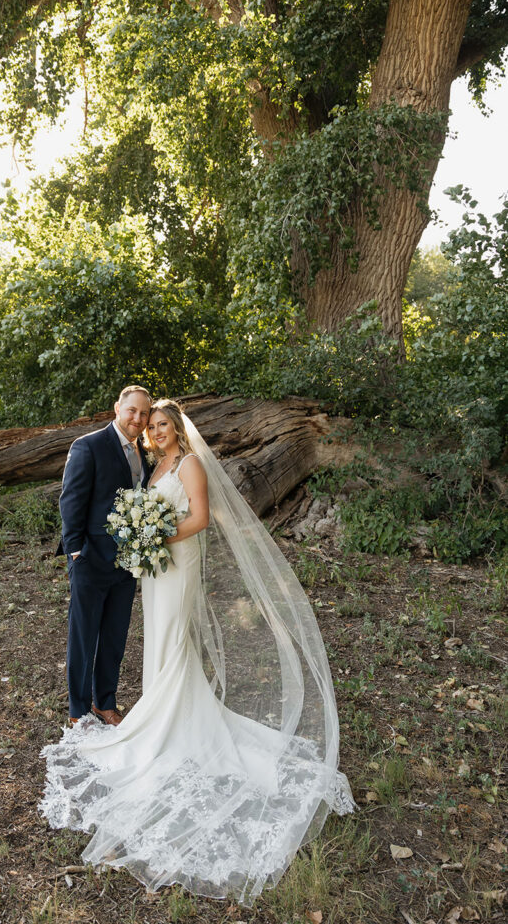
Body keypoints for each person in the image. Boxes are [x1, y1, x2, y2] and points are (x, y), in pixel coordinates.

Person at [42, 399, 354, 905]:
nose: (154, 428)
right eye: (150, 421)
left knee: (171, 640)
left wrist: (154, 535)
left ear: (177, 427)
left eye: (162, 422)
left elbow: (201, 517)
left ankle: (166, 723)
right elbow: (89, 500)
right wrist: (119, 541)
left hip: (175, 562)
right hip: (152, 566)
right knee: (153, 642)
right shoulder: (146, 462)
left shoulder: (187, 463)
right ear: (128, 414)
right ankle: (126, 710)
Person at [57, 384, 152, 725]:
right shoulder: (88, 446)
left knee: (114, 635)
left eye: (144, 413)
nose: (137, 419)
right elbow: (70, 501)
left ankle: (105, 702)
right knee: (84, 637)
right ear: (117, 408)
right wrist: (76, 552)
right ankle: (78, 711)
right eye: (132, 411)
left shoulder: (145, 452)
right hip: (90, 559)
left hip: (127, 563)